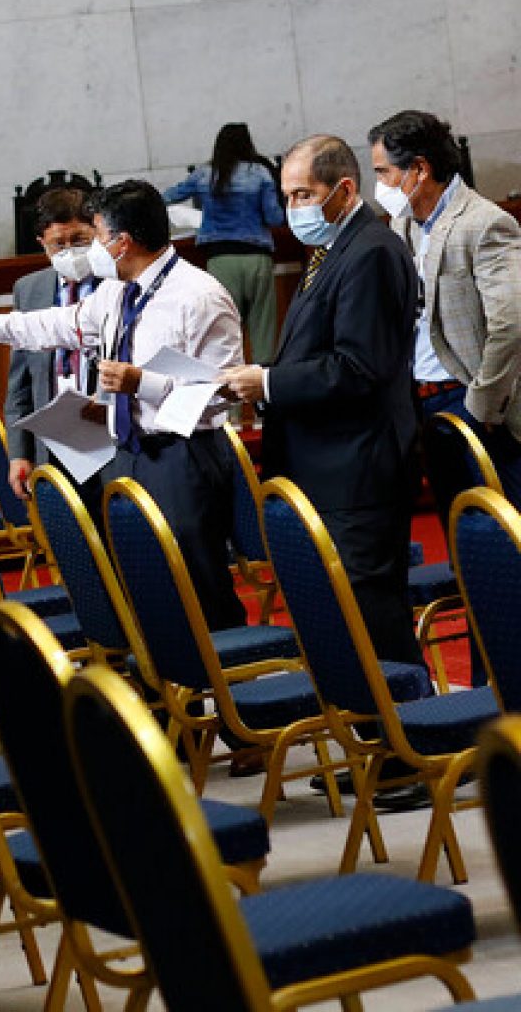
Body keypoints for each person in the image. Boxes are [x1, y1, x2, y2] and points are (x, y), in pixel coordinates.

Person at [0, 179, 246, 631]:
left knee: (198, 584)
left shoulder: (199, 295)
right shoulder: (115, 290)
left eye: (95, 233)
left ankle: (234, 688)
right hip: (126, 453)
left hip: (182, 458)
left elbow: (225, 392)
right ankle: (166, 692)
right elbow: (60, 324)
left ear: (121, 242)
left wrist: (142, 383)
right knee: (143, 586)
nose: (89, 249)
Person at [219, 135, 423, 668]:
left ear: (345, 189)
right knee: (347, 627)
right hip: (330, 466)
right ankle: (381, 742)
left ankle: (413, 741)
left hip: (358, 471)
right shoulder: (332, 250)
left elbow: (358, 368)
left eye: (304, 195)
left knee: (375, 626)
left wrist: (266, 383)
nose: (293, 210)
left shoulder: (370, 252)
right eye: (288, 197)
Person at [368, 110, 521, 509]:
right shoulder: (402, 225)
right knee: (459, 536)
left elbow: (512, 323)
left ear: (419, 169)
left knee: (502, 537)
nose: (379, 186)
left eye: (384, 173)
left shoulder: (485, 223)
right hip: (423, 403)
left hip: (476, 404)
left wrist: (482, 405)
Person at [4, 187, 101, 516]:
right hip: (54, 441)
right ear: (42, 244)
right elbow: (20, 383)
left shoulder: (117, 283)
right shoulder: (29, 290)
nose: (69, 250)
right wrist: (20, 452)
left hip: (108, 436)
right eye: (59, 244)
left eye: (80, 239)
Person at [163, 123, 285, 364]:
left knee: (225, 333)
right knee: (263, 330)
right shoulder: (260, 173)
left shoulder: (204, 174)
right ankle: (262, 394)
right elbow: (275, 218)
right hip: (257, 258)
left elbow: (166, 197)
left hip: (219, 260)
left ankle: (231, 399)